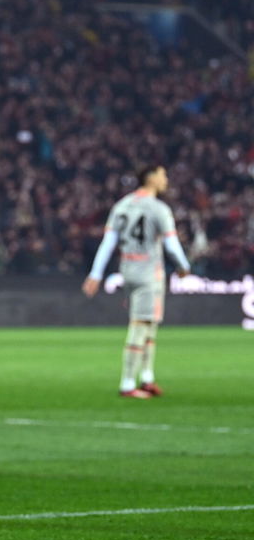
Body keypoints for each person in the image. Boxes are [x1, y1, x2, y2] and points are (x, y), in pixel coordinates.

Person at [82, 164, 190, 398]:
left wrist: (96, 273)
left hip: (128, 268)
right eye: (163, 174)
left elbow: (108, 242)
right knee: (140, 325)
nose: (166, 179)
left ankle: (147, 378)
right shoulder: (159, 209)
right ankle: (128, 384)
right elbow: (171, 244)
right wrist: (184, 266)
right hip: (149, 272)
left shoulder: (122, 205)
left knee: (149, 324)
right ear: (150, 178)